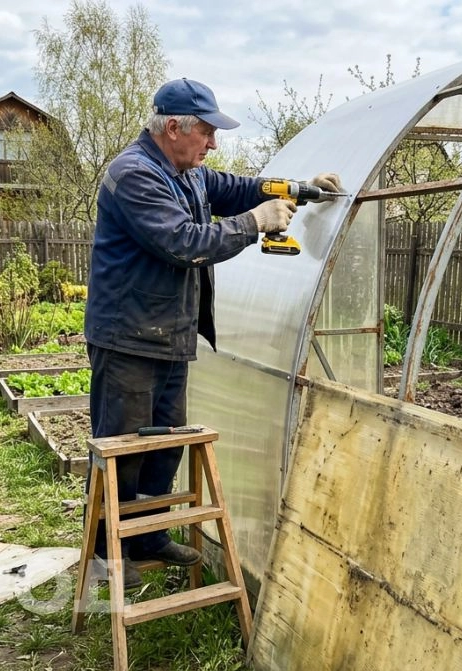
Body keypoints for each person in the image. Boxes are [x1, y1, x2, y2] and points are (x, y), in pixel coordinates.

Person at [84, 77, 342, 589]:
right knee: (122, 450)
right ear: (173, 128)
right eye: (206, 132)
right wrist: (253, 224)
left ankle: (148, 535)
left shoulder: (192, 174)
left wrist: (304, 188)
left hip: (170, 335)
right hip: (128, 338)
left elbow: (245, 188)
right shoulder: (133, 175)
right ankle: (106, 556)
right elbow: (183, 242)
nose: (213, 144)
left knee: (167, 445)